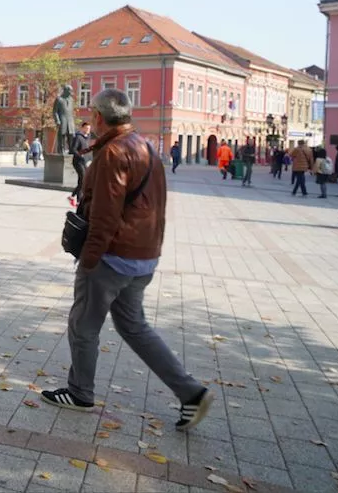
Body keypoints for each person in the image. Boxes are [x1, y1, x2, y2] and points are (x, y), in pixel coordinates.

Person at [41, 89, 213, 432]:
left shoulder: (113, 152)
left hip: (112, 258)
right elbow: (156, 204)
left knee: (83, 325)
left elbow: (105, 217)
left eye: (91, 113)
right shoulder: (145, 146)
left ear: (99, 117)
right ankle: (191, 392)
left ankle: (80, 393)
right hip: (142, 256)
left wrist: (89, 260)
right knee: (133, 326)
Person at [69, 122, 93, 207]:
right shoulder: (78, 137)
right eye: (86, 128)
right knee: (83, 179)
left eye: (89, 129)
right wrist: (80, 154)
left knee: (82, 180)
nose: (88, 130)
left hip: (85, 161)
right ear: (82, 128)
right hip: (78, 162)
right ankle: (72, 196)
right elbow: (73, 149)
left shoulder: (88, 137)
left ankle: (78, 201)